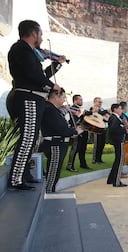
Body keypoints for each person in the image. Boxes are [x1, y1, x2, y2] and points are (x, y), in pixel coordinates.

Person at [7, 20, 62, 190]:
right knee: (27, 138)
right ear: (33, 33)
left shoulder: (29, 52)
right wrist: (51, 86)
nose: (42, 38)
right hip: (28, 98)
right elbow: (33, 76)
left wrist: (57, 63)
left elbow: (40, 75)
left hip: (33, 98)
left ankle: (24, 173)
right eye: (40, 34)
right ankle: (16, 178)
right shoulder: (21, 50)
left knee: (33, 139)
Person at [40, 88, 82, 193]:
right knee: (53, 171)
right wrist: (75, 132)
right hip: (55, 144)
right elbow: (60, 128)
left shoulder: (53, 109)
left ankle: (50, 191)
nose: (64, 100)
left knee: (55, 171)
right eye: (63, 97)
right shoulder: (50, 109)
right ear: (56, 95)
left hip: (58, 143)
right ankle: (49, 193)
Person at [66, 94, 91, 171]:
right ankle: (70, 165)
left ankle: (83, 164)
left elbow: (88, 113)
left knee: (83, 148)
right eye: (80, 99)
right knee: (75, 148)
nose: (81, 101)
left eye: (81, 99)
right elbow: (81, 114)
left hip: (84, 130)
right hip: (77, 130)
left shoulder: (81, 108)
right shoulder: (72, 108)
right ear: (75, 100)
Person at [106, 104, 128, 187]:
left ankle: (111, 179)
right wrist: (124, 130)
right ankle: (117, 181)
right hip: (118, 141)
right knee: (119, 161)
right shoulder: (114, 118)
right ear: (115, 109)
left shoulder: (114, 117)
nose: (121, 110)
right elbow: (113, 130)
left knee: (117, 161)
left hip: (118, 141)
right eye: (119, 108)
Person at [91, 97, 110, 164]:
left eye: (101, 102)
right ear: (95, 102)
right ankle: (94, 160)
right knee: (97, 144)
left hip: (103, 127)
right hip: (96, 128)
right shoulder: (93, 108)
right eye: (99, 102)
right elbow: (99, 114)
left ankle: (99, 159)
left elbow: (106, 118)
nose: (100, 103)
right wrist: (107, 111)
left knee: (102, 144)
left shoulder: (102, 109)